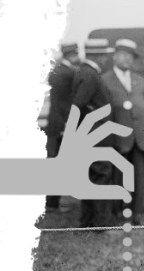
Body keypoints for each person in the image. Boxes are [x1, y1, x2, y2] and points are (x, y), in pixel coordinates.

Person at [102, 38, 144, 225]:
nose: (127, 59)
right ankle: (119, 211)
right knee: (118, 176)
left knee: (138, 177)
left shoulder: (140, 81)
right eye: (123, 55)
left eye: (130, 56)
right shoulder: (105, 80)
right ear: (115, 56)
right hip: (118, 138)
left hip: (140, 136)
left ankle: (137, 214)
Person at [75, 38, 117, 228]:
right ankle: (101, 224)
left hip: (89, 134)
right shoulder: (91, 75)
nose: (107, 59)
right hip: (96, 135)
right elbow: (79, 104)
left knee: (90, 177)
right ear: (99, 56)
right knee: (101, 176)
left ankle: (88, 222)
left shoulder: (84, 72)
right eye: (105, 55)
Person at [45, 42, 80, 213]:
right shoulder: (68, 73)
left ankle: (52, 202)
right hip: (63, 123)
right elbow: (67, 103)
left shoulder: (57, 71)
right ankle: (52, 203)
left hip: (55, 122)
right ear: (72, 55)